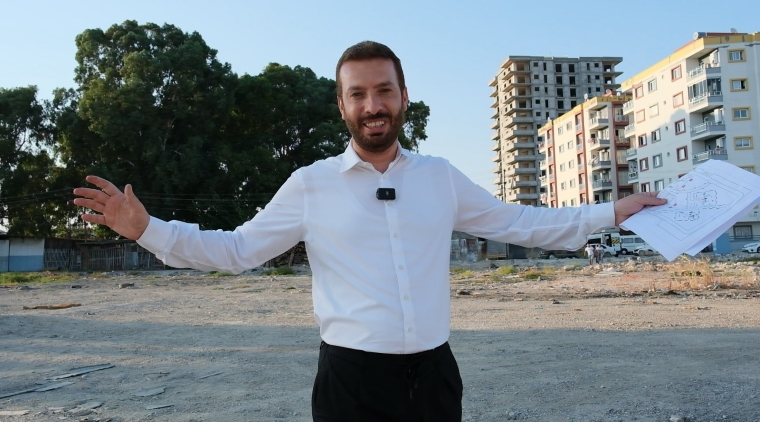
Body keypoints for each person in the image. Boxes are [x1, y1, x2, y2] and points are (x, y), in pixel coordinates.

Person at [73, 41, 666, 422]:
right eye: (357, 94)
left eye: (383, 90)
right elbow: (237, 249)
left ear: (403, 97)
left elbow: (520, 221)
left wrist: (610, 213)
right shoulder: (310, 184)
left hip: (434, 378)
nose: (372, 104)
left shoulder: (439, 177)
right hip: (350, 384)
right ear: (342, 106)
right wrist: (148, 229)